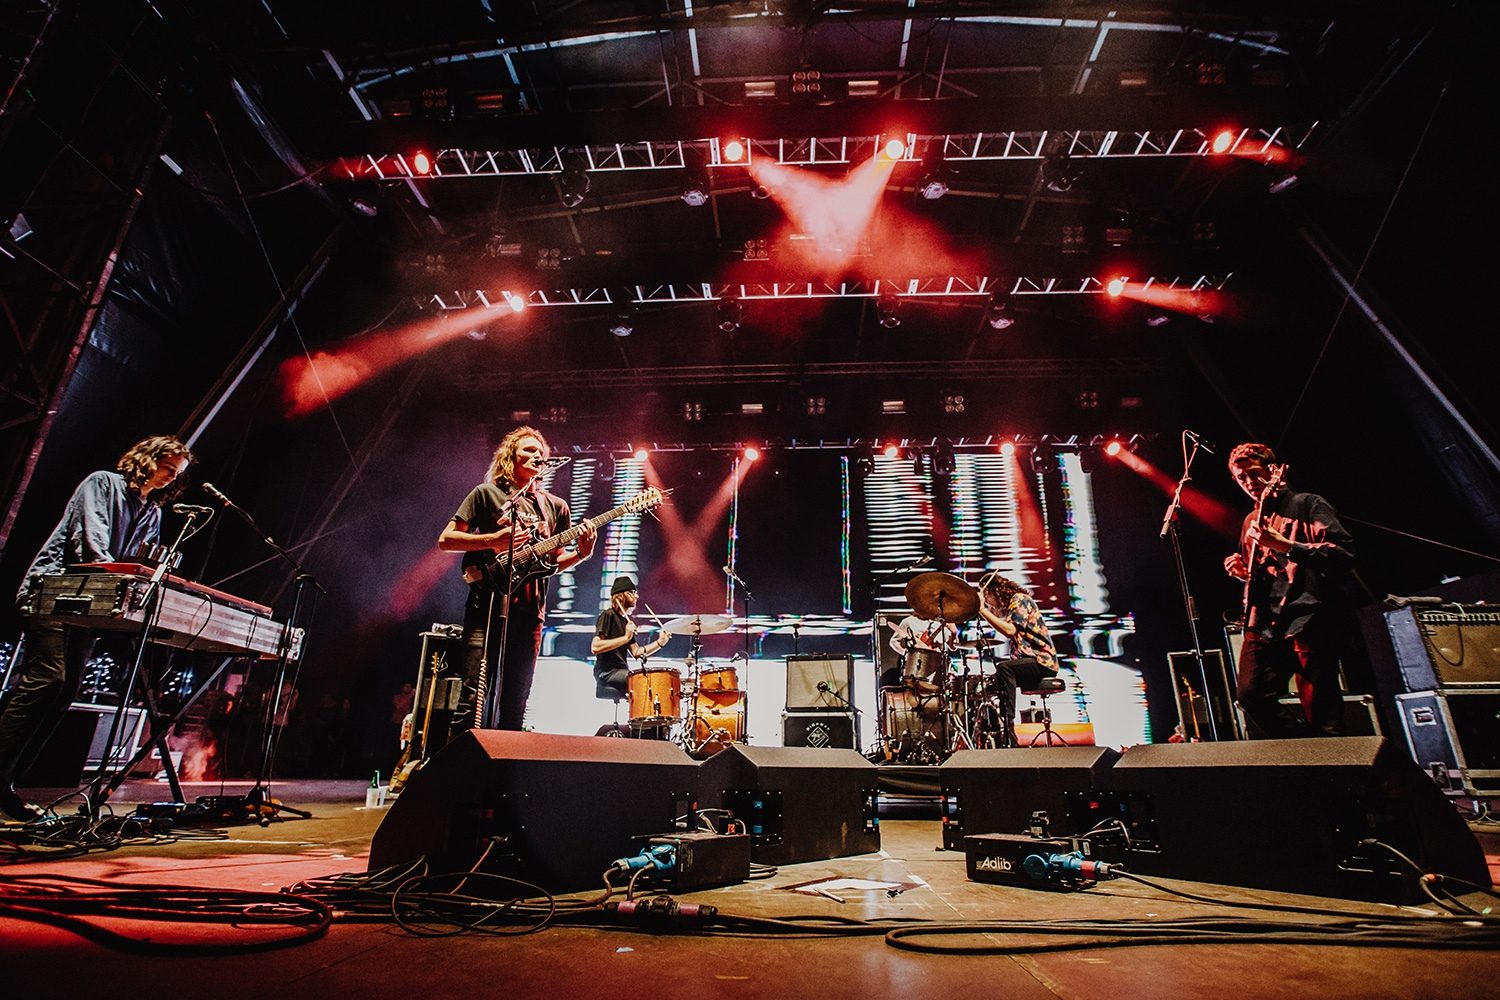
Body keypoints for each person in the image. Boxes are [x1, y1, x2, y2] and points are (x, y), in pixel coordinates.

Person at [0, 435, 194, 821]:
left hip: (89, 606)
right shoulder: (102, 482)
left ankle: (5, 784)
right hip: (53, 591)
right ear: (148, 458)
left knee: (64, 692)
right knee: (48, 679)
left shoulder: (152, 514)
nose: (169, 479)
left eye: (176, 475)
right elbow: (92, 541)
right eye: (167, 468)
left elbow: (137, 563)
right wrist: (113, 580)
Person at [438, 426, 595, 734]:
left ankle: (503, 779)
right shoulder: (486, 495)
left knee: (516, 703)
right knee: (473, 699)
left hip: (529, 614)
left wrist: (581, 555)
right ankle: (456, 775)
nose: (537, 455)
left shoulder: (556, 506)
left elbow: (553, 563)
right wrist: (493, 539)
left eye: (541, 453)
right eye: (528, 450)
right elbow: (446, 540)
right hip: (487, 607)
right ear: (510, 457)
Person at [1222, 442, 1355, 738]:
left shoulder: (1308, 504)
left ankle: (1332, 765)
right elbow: (1265, 574)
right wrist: (1244, 574)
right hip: (1266, 622)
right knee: (1250, 694)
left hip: (1308, 616)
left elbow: (1342, 555)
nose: (1249, 483)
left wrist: (1285, 545)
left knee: (1322, 708)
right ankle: (1306, 748)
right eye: (1241, 478)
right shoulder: (1250, 521)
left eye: (1254, 474)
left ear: (1273, 471)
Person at [976, 572, 1059, 747]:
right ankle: (995, 735)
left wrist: (982, 610)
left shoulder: (1019, 599)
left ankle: (1009, 732)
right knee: (990, 685)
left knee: (1005, 668)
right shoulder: (1012, 606)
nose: (988, 602)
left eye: (987, 597)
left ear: (995, 591)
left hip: (1042, 661)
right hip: (1030, 662)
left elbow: (1010, 630)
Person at [590, 575, 672, 702]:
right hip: (607, 672)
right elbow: (595, 647)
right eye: (632, 592)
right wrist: (625, 637)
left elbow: (636, 653)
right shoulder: (608, 615)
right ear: (620, 596)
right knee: (642, 680)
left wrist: (660, 643)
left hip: (622, 671)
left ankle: (644, 718)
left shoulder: (625, 622)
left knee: (655, 679)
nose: (636, 596)